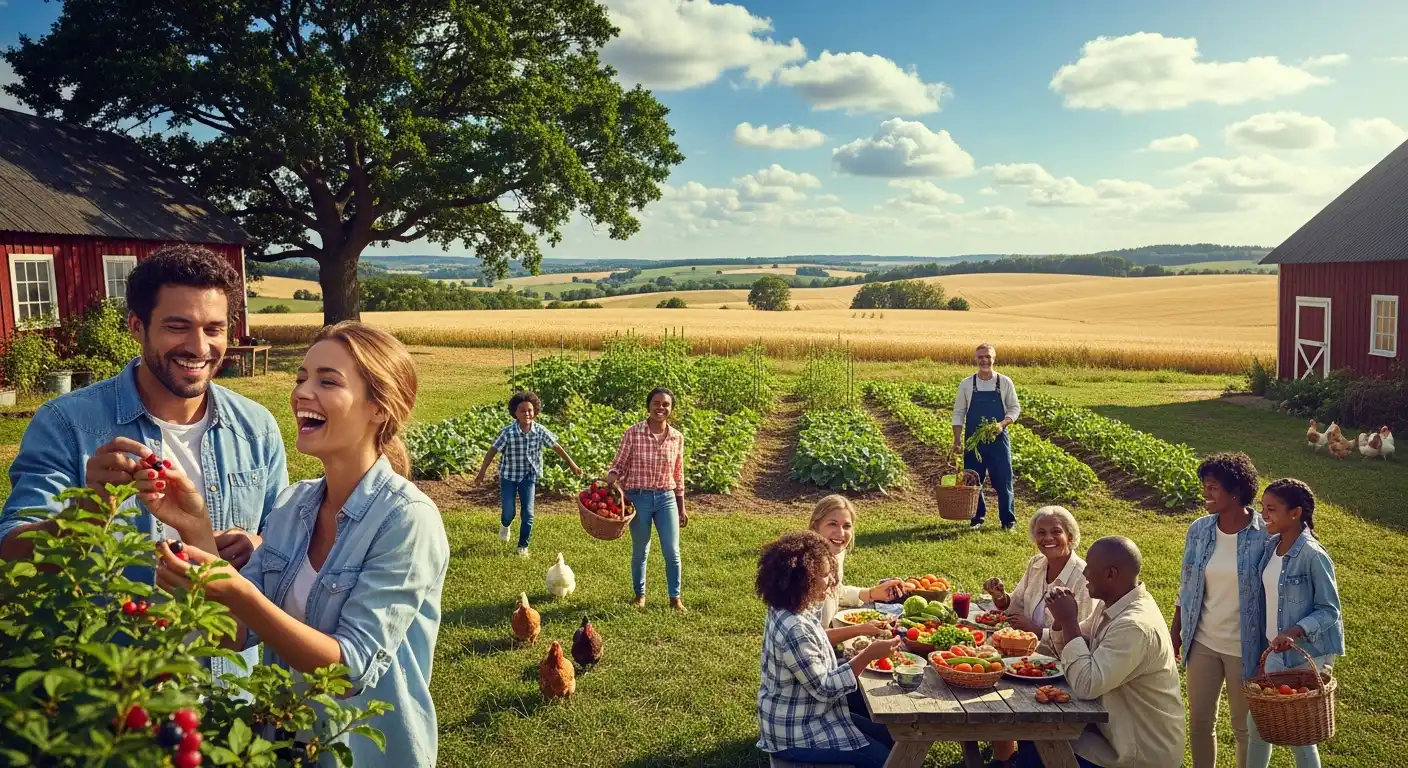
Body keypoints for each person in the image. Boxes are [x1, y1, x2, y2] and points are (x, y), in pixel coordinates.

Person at [149, 321, 450, 766]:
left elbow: (349, 671)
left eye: (328, 380)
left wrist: (236, 590)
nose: (302, 393)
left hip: (364, 754)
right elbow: (234, 634)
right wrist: (194, 528)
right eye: (302, 378)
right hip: (285, 748)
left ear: (379, 409)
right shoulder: (293, 505)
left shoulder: (407, 520)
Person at [0, 243, 287, 682]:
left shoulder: (255, 427)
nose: (199, 347)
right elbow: (11, 558)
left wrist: (259, 544)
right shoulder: (67, 424)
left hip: (227, 691)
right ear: (137, 326)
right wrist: (89, 511)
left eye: (214, 328)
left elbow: (288, 549)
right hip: (108, 695)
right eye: (178, 326)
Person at [1017, 536, 1184, 768]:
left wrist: (1068, 621)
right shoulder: (1115, 604)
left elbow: (1086, 684)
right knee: (1031, 737)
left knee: (1038, 748)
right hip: (1107, 732)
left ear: (1111, 574)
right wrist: (1060, 623)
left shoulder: (1134, 626)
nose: (1084, 575)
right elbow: (1072, 647)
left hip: (1133, 754)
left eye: (1089, 568)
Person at [756, 531, 901, 768]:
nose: (832, 580)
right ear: (803, 579)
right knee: (884, 760)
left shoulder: (790, 608)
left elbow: (816, 639)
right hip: (795, 732)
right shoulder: (795, 628)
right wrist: (869, 655)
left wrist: (860, 630)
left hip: (811, 714)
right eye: (825, 575)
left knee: (889, 737)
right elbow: (825, 688)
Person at [1173, 452, 1268, 768]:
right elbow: (1186, 583)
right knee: (1200, 723)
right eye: (1205, 486)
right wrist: (1176, 632)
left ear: (1236, 492)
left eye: (1213, 487)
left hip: (1248, 648)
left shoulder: (1267, 535)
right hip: (1202, 643)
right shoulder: (1199, 529)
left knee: (1245, 729)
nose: (1205, 494)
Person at [983, 505, 1093, 766]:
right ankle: (1005, 757)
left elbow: (1081, 635)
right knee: (990, 676)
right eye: (1041, 532)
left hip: (1059, 665)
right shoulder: (1036, 564)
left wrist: (1035, 631)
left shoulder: (1084, 577)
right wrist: (1001, 596)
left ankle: (1019, 756)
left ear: (1071, 536)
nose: (1047, 538)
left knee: (999, 685)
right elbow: (1016, 605)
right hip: (1024, 656)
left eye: (1056, 532)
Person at [1247, 479, 1343, 768]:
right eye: (1263, 508)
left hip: (1306, 655)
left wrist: (1293, 631)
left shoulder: (1313, 556)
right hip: (1275, 654)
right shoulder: (1271, 548)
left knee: (1300, 737)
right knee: (1259, 728)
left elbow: (1329, 610)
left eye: (1272, 509)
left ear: (1295, 513)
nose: (1264, 515)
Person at [606, 387, 687, 613]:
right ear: (648, 405)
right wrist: (612, 476)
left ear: (671, 408)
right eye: (656, 403)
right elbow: (619, 463)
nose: (660, 408)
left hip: (666, 499)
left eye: (665, 404)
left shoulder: (677, 437)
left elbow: (678, 473)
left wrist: (681, 507)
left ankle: (675, 598)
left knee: (672, 551)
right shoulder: (633, 433)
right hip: (638, 498)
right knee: (641, 550)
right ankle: (639, 595)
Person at [473, 391, 582, 557]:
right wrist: (482, 472)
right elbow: (492, 451)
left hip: (529, 476)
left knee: (528, 514)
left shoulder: (540, 431)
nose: (527, 414)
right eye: (522, 410)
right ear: (515, 413)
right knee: (508, 511)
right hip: (509, 476)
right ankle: (505, 524)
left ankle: (523, 546)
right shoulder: (508, 433)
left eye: (530, 410)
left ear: (535, 411)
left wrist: (572, 464)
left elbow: (556, 447)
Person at [808, 494, 904, 635]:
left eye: (846, 526)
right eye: (832, 524)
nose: (841, 533)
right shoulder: (806, 566)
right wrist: (860, 630)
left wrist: (871, 593)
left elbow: (835, 591)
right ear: (816, 526)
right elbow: (811, 636)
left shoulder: (835, 554)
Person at [951, 343, 1020, 530]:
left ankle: (1008, 521)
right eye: (980, 357)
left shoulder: (1004, 382)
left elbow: (1015, 408)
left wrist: (1001, 424)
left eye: (988, 356)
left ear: (993, 358)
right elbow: (958, 412)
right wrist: (957, 440)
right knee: (973, 480)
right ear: (975, 359)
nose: (984, 360)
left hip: (999, 441)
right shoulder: (966, 384)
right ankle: (976, 518)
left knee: (1003, 480)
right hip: (974, 441)